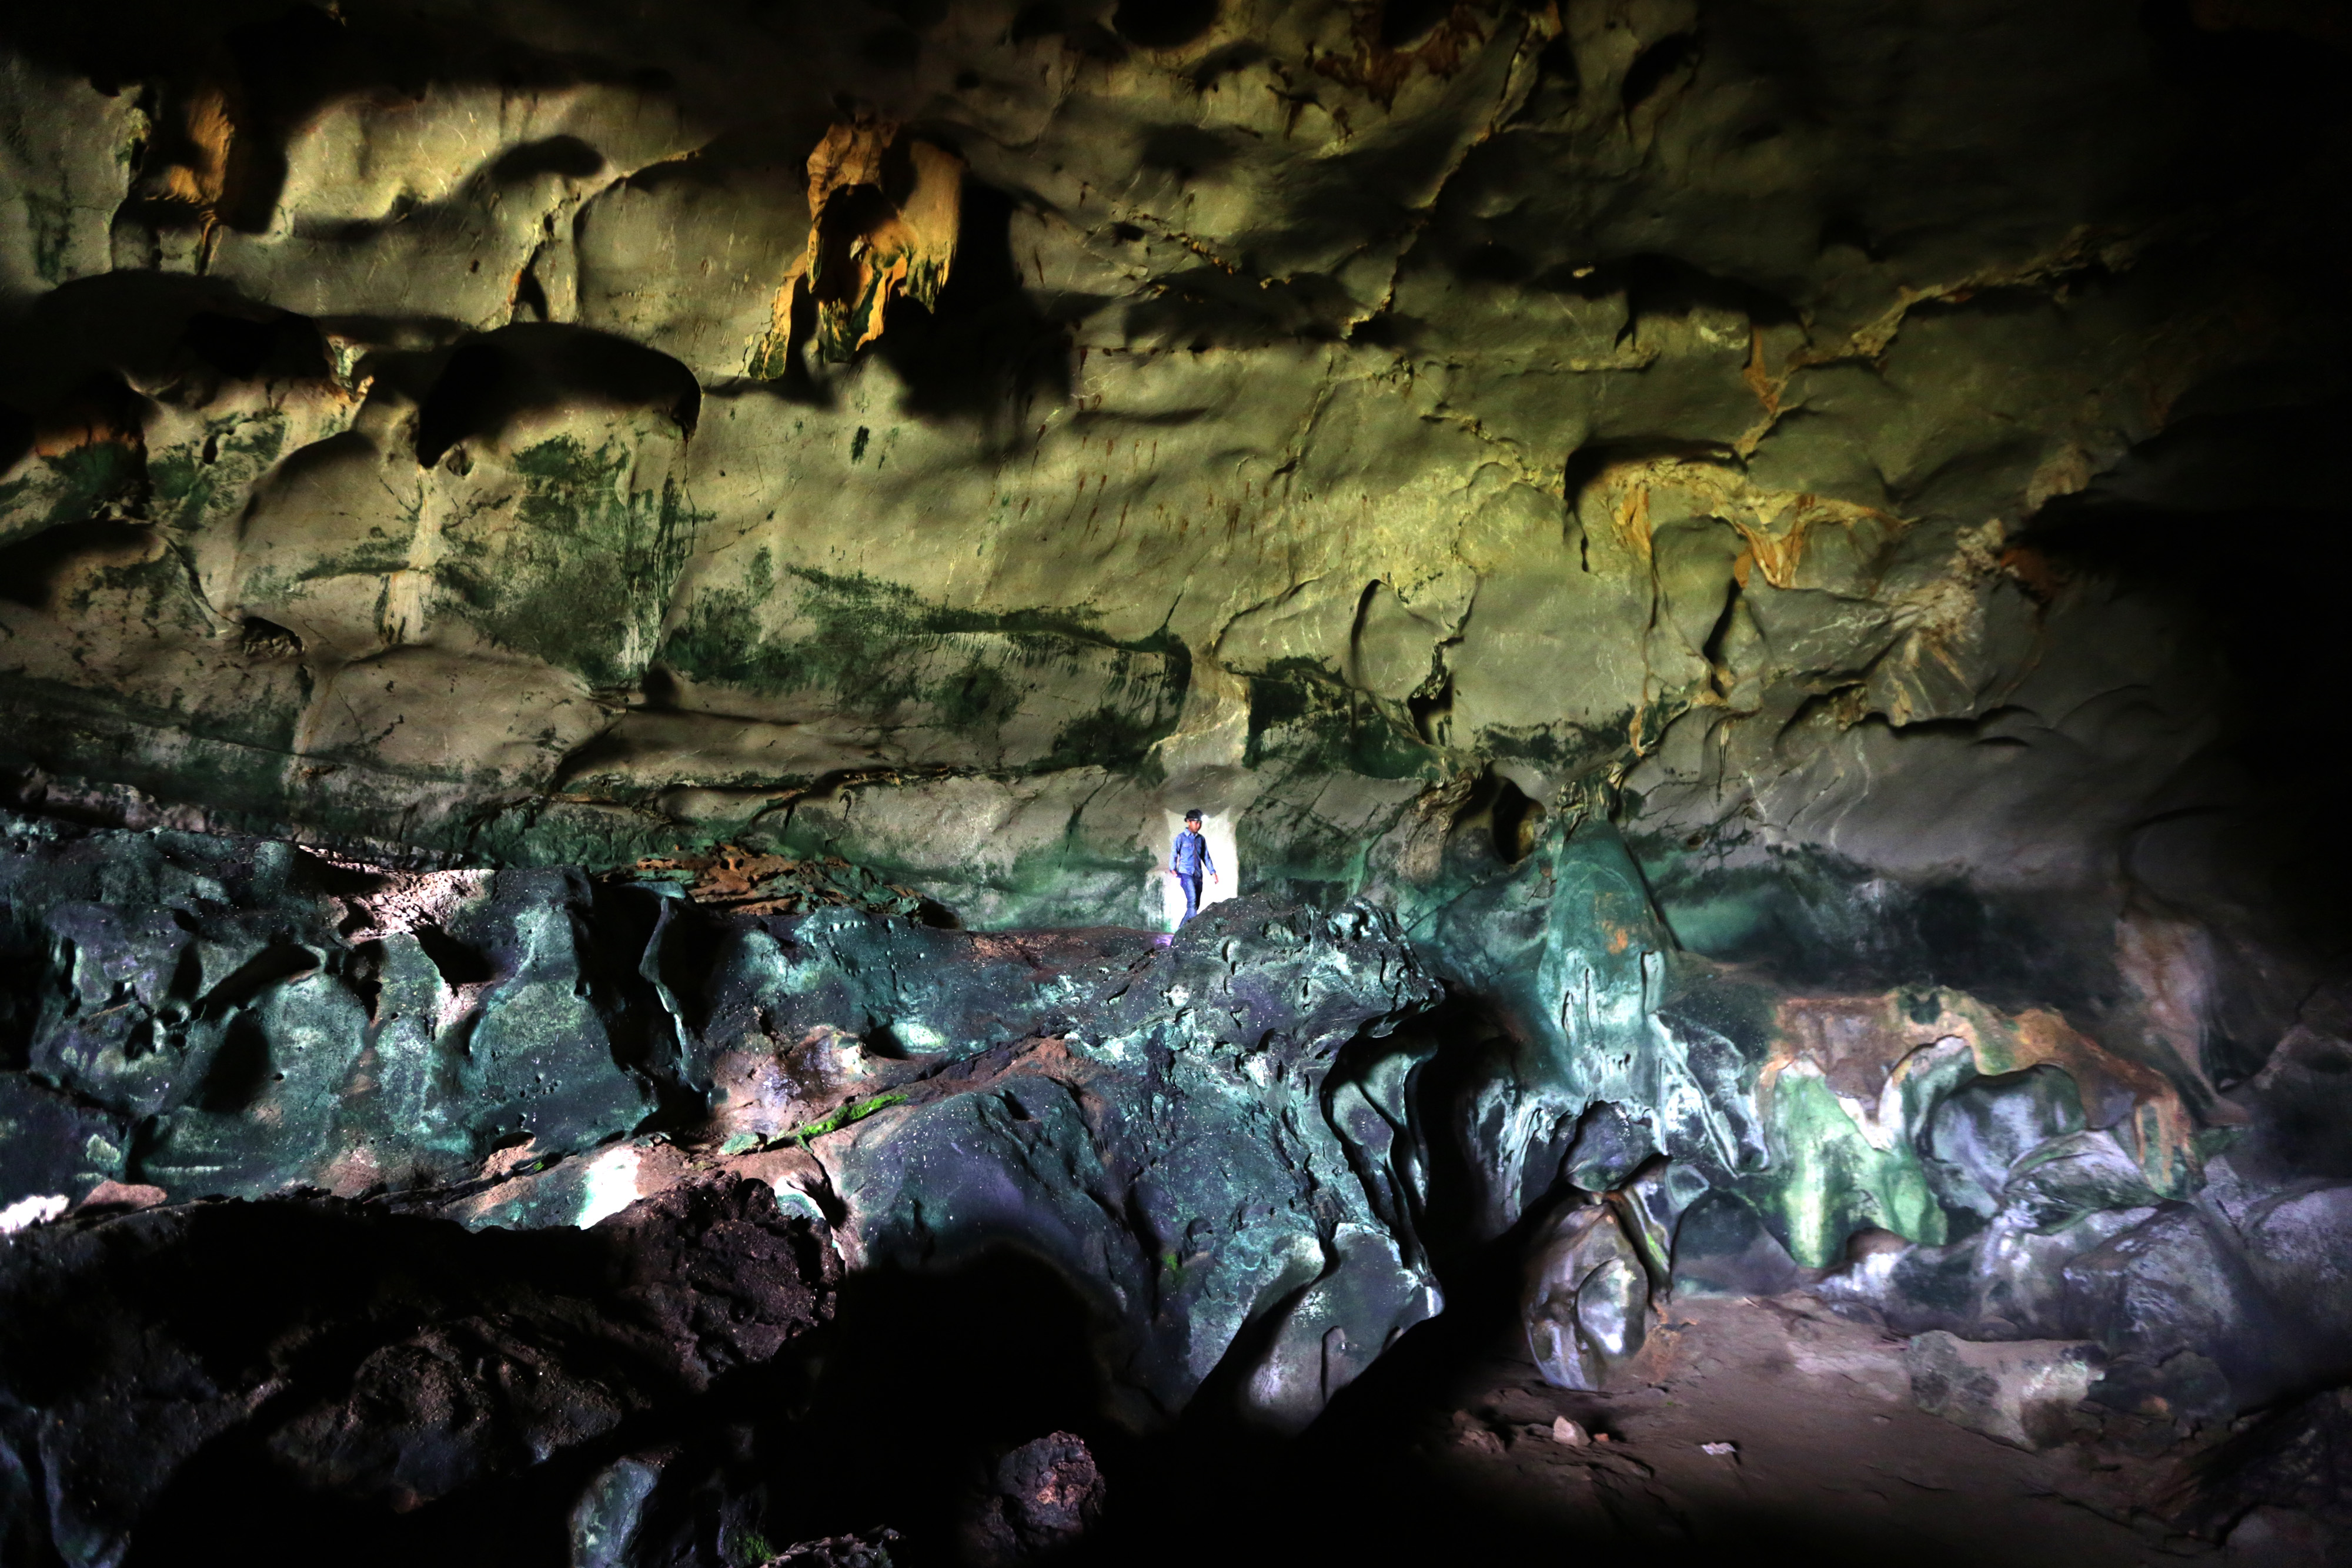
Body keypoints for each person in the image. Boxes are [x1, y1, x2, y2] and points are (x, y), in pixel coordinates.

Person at [1165, 809, 1218, 925]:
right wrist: (1173, 869)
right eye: (1195, 822)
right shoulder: (1181, 838)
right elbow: (1174, 854)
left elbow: (1206, 857)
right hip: (1186, 874)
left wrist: (1213, 872)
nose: (1198, 825)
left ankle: (1181, 930)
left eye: (1200, 822)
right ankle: (1193, 931)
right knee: (1192, 902)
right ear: (1188, 822)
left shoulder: (1201, 839)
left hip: (1198, 875)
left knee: (1196, 905)